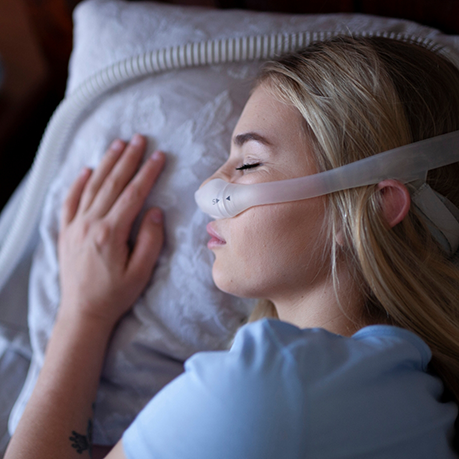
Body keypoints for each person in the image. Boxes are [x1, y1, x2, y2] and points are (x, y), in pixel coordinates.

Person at [5, 35, 459, 458]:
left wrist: (83, 313)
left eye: (249, 162)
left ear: (374, 209)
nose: (209, 188)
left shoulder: (268, 386)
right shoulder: (417, 394)